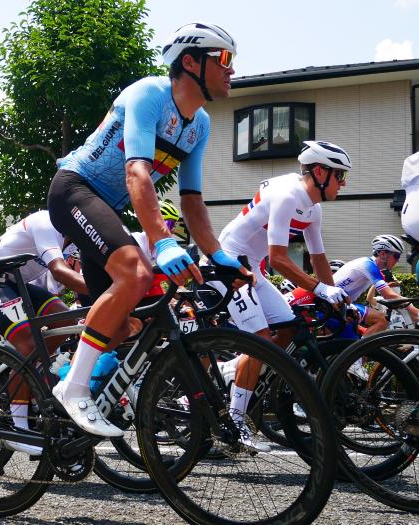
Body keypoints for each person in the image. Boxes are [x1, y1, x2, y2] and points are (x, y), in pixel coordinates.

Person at [47, 22, 250, 437]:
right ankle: (74, 386)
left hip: (105, 205)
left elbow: (192, 200)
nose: (232, 70)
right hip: (74, 188)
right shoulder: (150, 93)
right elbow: (137, 171)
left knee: (126, 322)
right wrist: (161, 241)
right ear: (191, 62)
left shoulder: (201, 124)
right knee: (135, 273)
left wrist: (218, 255)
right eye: (224, 59)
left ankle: (63, 377)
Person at [216, 140, 351, 450]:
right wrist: (319, 289)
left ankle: (234, 368)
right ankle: (235, 422)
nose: (343, 184)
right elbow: (278, 258)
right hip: (227, 263)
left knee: (289, 328)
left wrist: (335, 297)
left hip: (252, 270)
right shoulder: (288, 194)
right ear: (320, 172)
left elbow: (318, 259)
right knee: (261, 339)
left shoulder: (313, 208)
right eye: (340, 176)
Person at [0, 210, 87, 455]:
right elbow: (57, 270)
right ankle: (17, 424)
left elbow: (57, 287)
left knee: (66, 318)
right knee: (26, 346)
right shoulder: (47, 222)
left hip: (18, 284)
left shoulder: (72, 242)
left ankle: (28, 371)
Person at [332, 235, 419, 336]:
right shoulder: (369, 265)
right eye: (396, 256)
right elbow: (389, 295)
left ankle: (362, 348)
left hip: (338, 305)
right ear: (383, 254)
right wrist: (415, 312)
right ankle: (362, 349)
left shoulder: (370, 265)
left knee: (354, 339)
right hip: (331, 306)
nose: (398, 260)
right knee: (383, 319)